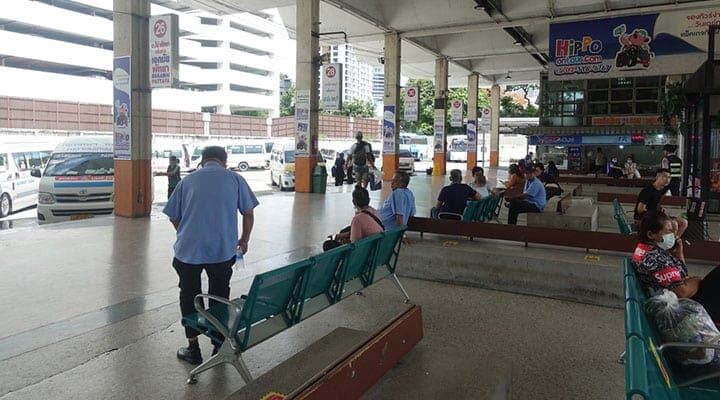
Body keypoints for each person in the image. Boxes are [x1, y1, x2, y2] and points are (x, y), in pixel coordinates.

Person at [162, 146, 259, 365]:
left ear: (202, 161)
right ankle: (217, 345)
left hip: (188, 250)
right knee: (219, 294)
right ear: (224, 161)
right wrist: (244, 240)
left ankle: (193, 347)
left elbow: (172, 215)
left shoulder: (187, 181)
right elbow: (249, 212)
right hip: (222, 251)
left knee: (189, 294)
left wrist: (186, 232)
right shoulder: (235, 179)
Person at [632, 211, 720, 322]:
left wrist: (679, 253)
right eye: (668, 231)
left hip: (674, 302)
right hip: (678, 309)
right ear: (651, 234)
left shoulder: (647, 250)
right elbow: (683, 292)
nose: (674, 236)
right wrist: (697, 280)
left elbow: (682, 274)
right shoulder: (656, 258)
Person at [323, 186, 384, 251]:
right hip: (376, 247)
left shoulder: (357, 219)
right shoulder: (374, 211)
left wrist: (345, 242)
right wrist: (341, 235)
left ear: (354, 202)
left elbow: (354, 245)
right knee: (346, 230)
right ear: (369, 199)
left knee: (328, 245)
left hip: (365, 252)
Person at [634, 168, 688, 239]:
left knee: (684, 222)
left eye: (669, 177)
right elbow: (640, 210)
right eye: (664, 176)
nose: (667, 179)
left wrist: (660, 209)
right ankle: (668, 244)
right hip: (645, 219)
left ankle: (673, 241)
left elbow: (653, 205)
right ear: (657, 177)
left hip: (656, 216)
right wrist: (657, 214)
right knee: (674, 224)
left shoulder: (661, 190)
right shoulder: (647, 191)